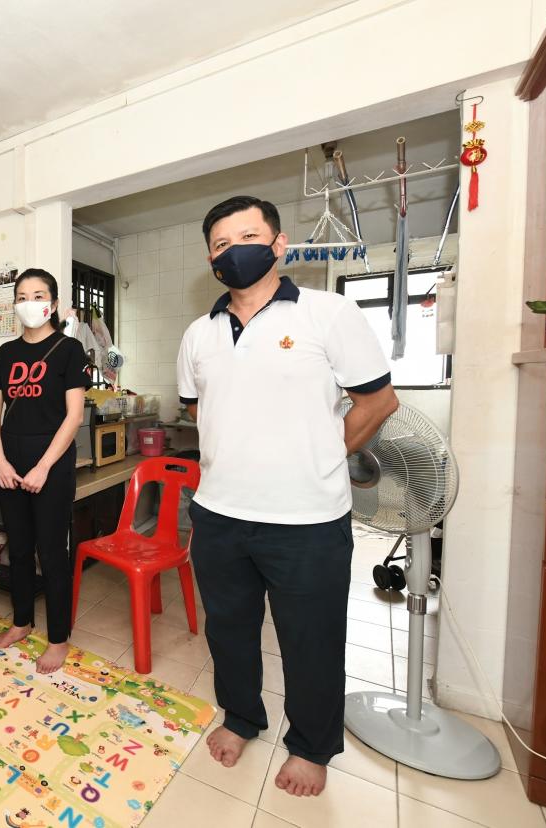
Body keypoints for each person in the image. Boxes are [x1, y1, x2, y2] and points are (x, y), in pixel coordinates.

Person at [177, 195, 399, 797]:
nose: (234, 250)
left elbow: (378, 401)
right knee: (229, 633)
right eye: (221, 244)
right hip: (220, 516)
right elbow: (200, 411)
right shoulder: (199, 334)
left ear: (279, 244)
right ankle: (242, 718)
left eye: (247, 236)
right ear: (210, 259)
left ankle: (311, 745)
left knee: (311, 640)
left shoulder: (327, 314)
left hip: (308, 519)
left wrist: (327, 450)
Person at [0, 268, 88, 674]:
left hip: (52, 465)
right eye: (23, 296)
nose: (31, 302)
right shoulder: (7, 352)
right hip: (10, 462)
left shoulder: (68, 349)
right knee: (19, 548)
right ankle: (22, 623)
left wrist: (44, 466)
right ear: (16, 305)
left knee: (52, 553)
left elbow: (74, 415)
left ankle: (58, 639)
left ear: (54, 303)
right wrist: (0, 459)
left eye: (39, 294)